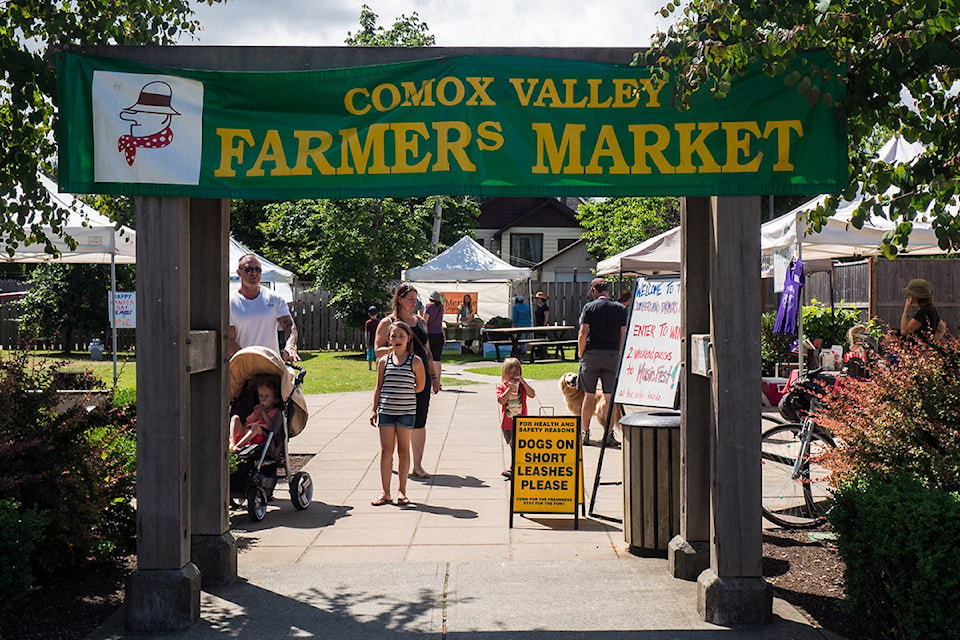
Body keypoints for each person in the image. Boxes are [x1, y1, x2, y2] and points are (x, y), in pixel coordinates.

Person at [375, 283, 440, 480]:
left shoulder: (420, 321)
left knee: (420, 420)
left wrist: (434, 376)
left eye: (415, 299)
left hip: (419, 375)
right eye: (410, 299)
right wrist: (396, 348)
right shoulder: (387, 322)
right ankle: (393, 462)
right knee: (395, 421)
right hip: (396, 377)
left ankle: (417, 466)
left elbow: (427, 350)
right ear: (400, 299)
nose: (414, 303)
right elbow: (377, 350)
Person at [369, 320, 425, 507]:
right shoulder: (384, 361)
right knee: (386, 451)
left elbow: (420, 386)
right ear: (389, 339)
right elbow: (379, 387)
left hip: (406, 412)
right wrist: (374, 409)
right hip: (386, 412)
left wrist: (404, 396)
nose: (397, 339)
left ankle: (402, 491)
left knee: (403, 451)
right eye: (394, 336)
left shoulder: (415, 361)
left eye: (402, 336)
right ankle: (385, 493)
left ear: (409, 338)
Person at [577, 278, 627, 446]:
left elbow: (583, 333)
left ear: (594, 290)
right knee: (609, 398)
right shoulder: (620, 309)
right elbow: (623, 334)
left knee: (588, 396)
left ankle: (585, 432)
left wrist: (581, 353)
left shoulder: (589, 307)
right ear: (607, 289)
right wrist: (618, 353)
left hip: (591, 354)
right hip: (612, 354)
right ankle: (608, 434)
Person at [229, 253, 300, 362]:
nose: (254, 273)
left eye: (258, 269)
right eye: (249, 269)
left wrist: (290, 345)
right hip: (244, 367)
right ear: (239, 272)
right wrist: (250, 361)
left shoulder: (274, 299)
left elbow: (289, 326)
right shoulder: (231, 302)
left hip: (272, 364)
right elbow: (229, 339)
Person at [496, 358, 536, 479]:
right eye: (509, 373)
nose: (512, 376)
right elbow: (501, 400)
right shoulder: (501, 386)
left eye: (515, 373)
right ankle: (517, 467)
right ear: (504, 374)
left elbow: (532, 394)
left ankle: (514, 468)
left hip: (521, 423)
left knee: (517, 446)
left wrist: (523, 382)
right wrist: (509, 388)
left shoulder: (522, 386)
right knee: (513, 446)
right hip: (507, 423)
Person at [229, 376, 282, 452]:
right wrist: (256, 414)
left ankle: (238, 446)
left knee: (256, 427)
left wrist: (264, 413)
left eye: (267, 396)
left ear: (275, 400)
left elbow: (272, 427)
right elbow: (246, 424)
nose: (263, 399)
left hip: (261, 435)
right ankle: (232, 443)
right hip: (247, 432)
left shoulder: (275, 412)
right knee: (235, 417)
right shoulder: (256, 410)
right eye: (261, 396)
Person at [901, 278, 947, 342]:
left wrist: (906, 310)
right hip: (924, 348)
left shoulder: (923, 312)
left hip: (916, 349)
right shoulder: (932, 309)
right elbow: (942, 328)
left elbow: (904, 331)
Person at [425, 291, 446, 385]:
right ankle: (438, 381)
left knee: (428, 358)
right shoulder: (441, 307)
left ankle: (430, 380)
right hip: (439, 334)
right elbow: (440, 323)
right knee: (437, 359)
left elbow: (425, 321)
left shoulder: (429, 307)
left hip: (430, 334)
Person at [365, 306, 380, 371]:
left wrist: (367, 343)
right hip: (377, 341)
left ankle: (370, 367)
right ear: (377, 314)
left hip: (370, 341)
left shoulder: (368, 323)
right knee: (377, 356)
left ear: (369, 314)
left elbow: (367, 334)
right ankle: (377, 367)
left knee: (370, 356)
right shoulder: (379, 322)